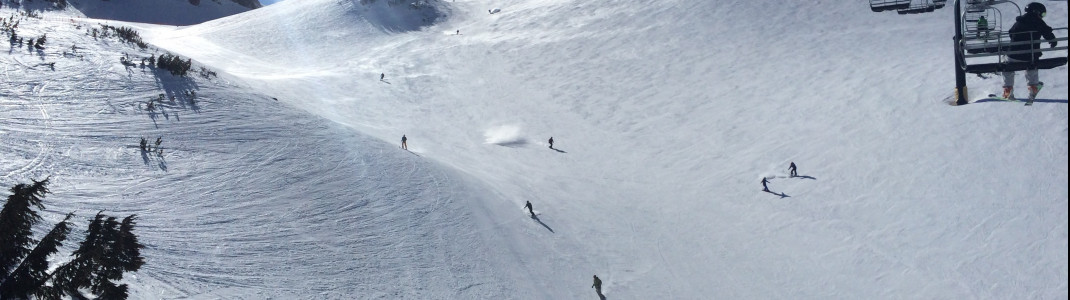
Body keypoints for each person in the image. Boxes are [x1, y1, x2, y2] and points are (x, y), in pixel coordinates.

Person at [1001, 2, 1056, 100]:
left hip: (1013, 55)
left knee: (1007, 67)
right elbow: (1046, 31)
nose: (1042, 17)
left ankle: (1008, 91)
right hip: (1030, 56)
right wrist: (1052, 41)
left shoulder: (1019, 22)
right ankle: (1033, 90)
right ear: (1037, 12)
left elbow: (1010, 33)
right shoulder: (1038, 21)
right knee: (1032, 68)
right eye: (1042, 14)